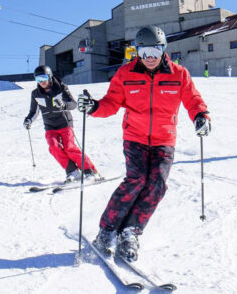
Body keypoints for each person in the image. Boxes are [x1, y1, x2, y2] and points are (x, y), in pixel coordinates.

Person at [77, 25, 210, 262]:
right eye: (144, 52)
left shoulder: (178, 74)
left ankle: (130, 231)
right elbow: (111, 103)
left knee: (156, 184)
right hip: (135, 137)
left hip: (164, 139)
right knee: (136, 180)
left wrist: (201, 115)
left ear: (163, 50)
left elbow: (193, 99)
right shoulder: (126, 73)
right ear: (136, 52)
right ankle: (107, 231)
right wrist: (95, 107)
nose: (150, 58)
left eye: (156, 52)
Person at [23, 65, 100, 183]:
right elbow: (34, 111)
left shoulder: (61, 88)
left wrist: (64, 105)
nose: (42, 82)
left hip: (64, 123)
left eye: (43, 78)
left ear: (49, 77)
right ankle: (72, 171)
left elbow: (73, 104)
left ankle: (90, 171)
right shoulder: (35, 94)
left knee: (69, 148)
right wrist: (28, 120)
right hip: (50, 126)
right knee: (54, 148)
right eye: (38, 79)